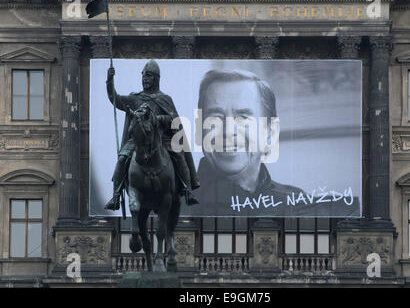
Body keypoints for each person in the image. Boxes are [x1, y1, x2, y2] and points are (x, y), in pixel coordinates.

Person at [185, 69, 311, 217]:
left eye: (243, 117)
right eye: (216, 117)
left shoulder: (298, 204)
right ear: (200, 130)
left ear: (271, 132)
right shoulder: (169, 206)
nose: (228, 131)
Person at [104, 60, 200, 211]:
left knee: (180, 157)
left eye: (148, 76)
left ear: (156, 78)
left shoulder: (165, 99)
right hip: (138, 140)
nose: (145, 79)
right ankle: (116, 195)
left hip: (162, 139)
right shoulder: (135, 98)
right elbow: (114, 99)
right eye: (143, 76)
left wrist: (158, 119)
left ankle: (187, 190)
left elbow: (173, 120)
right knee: (122, 159)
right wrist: (109, 81)